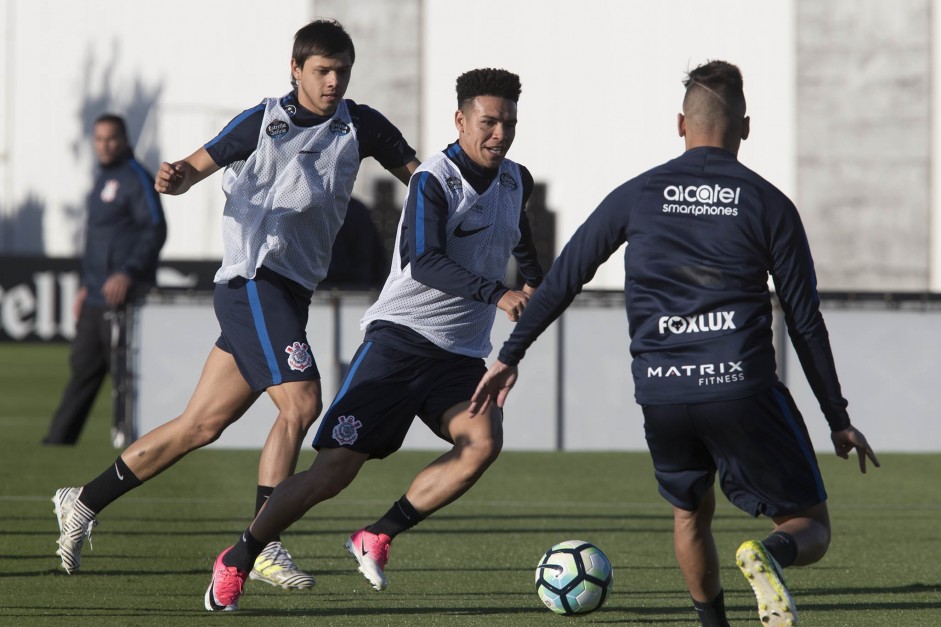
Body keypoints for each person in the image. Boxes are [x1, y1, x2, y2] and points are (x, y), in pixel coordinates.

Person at [469, 60, 880, 627]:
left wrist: (509, 355)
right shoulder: (768, 204)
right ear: (745, 128)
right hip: (741, 386)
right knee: (809, 524)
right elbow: (805, 321)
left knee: (690, 516)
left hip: (662, 394)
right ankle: (771, 553)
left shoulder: (638, 193)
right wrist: (837, 417)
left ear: (680, 124)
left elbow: (564, 276)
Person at [51, 19, 420, 593]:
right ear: (295, 69)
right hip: (252, 280)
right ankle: (264, 543)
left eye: (342, 71)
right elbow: (195, 166)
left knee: (199, 425)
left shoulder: (362, 126)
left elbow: (420, 179)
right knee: (301, 402)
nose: (333, 81)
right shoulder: (264, 120)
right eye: (322, 70)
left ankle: (83, 501)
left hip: (289, 294)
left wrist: (449, 201)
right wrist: (173, 178)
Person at [202, 67, 543, 612]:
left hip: (459, 355)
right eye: (488, 122)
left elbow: (525, 254)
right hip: (398, 344)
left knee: (482, 442)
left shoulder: (514, 180)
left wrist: (525, 305)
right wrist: (498, 295)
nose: (499, 134)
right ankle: (240, 556)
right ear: (460, 120)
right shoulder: (436, 179)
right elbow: (425, 262)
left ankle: (377, 534)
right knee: (331, 475)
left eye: (509, 123)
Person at [43, 113, 167, 447]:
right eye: (98, 139)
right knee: (82, 369)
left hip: (124, 300)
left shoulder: (136, 178)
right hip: (95, 298)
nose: (104, 145)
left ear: (124, 140)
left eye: (111, 138)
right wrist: (86, 286)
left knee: (128, 377)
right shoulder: (101, 179)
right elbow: (98, 243)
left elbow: (155, 229)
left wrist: (127, 273)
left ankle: (137, 445)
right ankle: (57, 444)